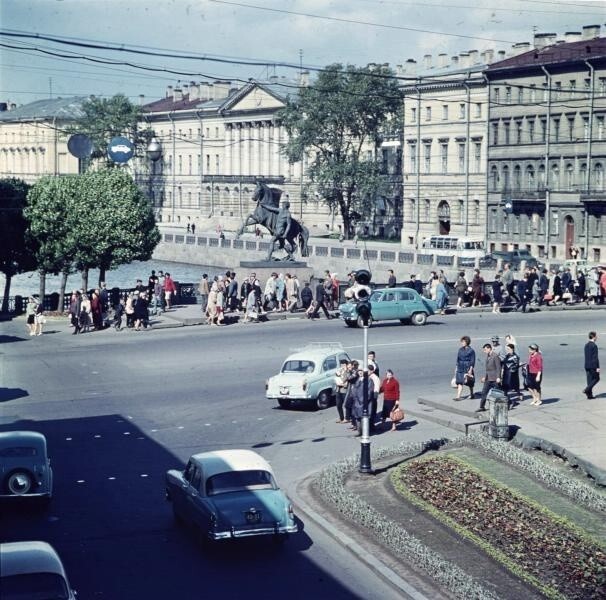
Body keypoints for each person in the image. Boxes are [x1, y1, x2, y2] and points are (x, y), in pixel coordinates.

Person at [477, 343, 501, 412]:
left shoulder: (495, 356)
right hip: (488, 378)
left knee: (498, 393)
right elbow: (487, 369)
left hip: (495, 379)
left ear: (489, 348)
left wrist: (498, 377)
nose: (484, 351)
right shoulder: (488, 356)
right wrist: (485, 377)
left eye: (485, 350)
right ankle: (482, 407)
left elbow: (498, 367)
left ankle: (505, 403)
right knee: (484, 392)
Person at [454, 336, 476, 401]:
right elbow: (458, 359)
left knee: (469, 382)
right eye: (462, 342)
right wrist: (456, 368)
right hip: (460, 367)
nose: (462, 343)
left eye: (463, 342)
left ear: (467, 342)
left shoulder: (471, 351)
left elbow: (472, 360)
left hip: (467, 367)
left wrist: (470, 369)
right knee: (459, 381)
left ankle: (472, 394)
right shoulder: (460, 349)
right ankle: (458, 396)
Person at [501, 343, 521, 407]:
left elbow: (516, 366)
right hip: (505, 374)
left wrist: (510, 368)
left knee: (508, 389)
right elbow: (503, 363)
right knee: (504, 389)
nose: (507, 350)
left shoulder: (515, 356)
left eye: (508, 349)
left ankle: (510, 402)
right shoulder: (507, 355)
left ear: (512, 349)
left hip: (511, 375)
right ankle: (509, 401)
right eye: (506, 349)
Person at [583, 331, 600, 399]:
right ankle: (586, 390)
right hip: (593, 366)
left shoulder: (586, 345)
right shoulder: (594, 346)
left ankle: (589, 395)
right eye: (596, 336)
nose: (597, 337)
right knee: (596, 378)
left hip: (586, 365)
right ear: (594, 337)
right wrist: (597, 367)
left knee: (589, 380)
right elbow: (595, 358)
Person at [334, 359, 350, 423]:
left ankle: (347, 418)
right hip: (338, 389)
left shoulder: (348, 371)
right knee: (338, 404)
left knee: (346, 405)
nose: (342, 366)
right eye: (341, 364)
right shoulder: (340, 370)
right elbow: (336, 377)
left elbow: (348, 379)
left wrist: (345, 372)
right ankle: (341, 417)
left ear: (346, 365)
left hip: (345, 390)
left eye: (344, 364)